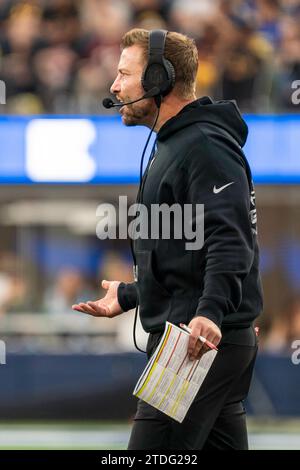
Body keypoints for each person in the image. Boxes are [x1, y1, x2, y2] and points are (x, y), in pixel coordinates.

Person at [72, 28, 263, 450]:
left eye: (124, 73)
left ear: (159, 79)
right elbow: (187, 257)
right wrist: (131, 294)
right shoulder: (179, 145)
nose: (114, 85)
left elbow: (230, 240)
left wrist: (210, 312)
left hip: (196, 342)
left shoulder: (205, 146)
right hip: (208, 336)